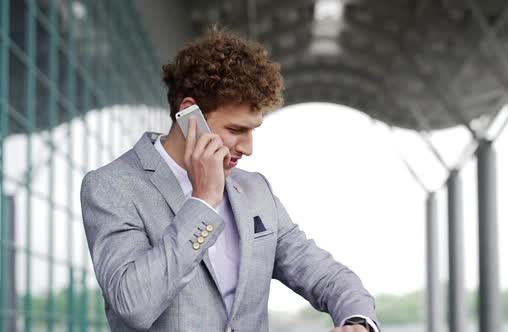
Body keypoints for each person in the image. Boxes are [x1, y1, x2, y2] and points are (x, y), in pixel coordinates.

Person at [80, 28, 380, 332]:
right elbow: (133, 305)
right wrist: (203, 202)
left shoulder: (256, 191)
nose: (248, 149)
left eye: (252, 131)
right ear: (189, 116)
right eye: (236, 131)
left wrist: (358, 321)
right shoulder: (111, 186)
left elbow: (328, 277)